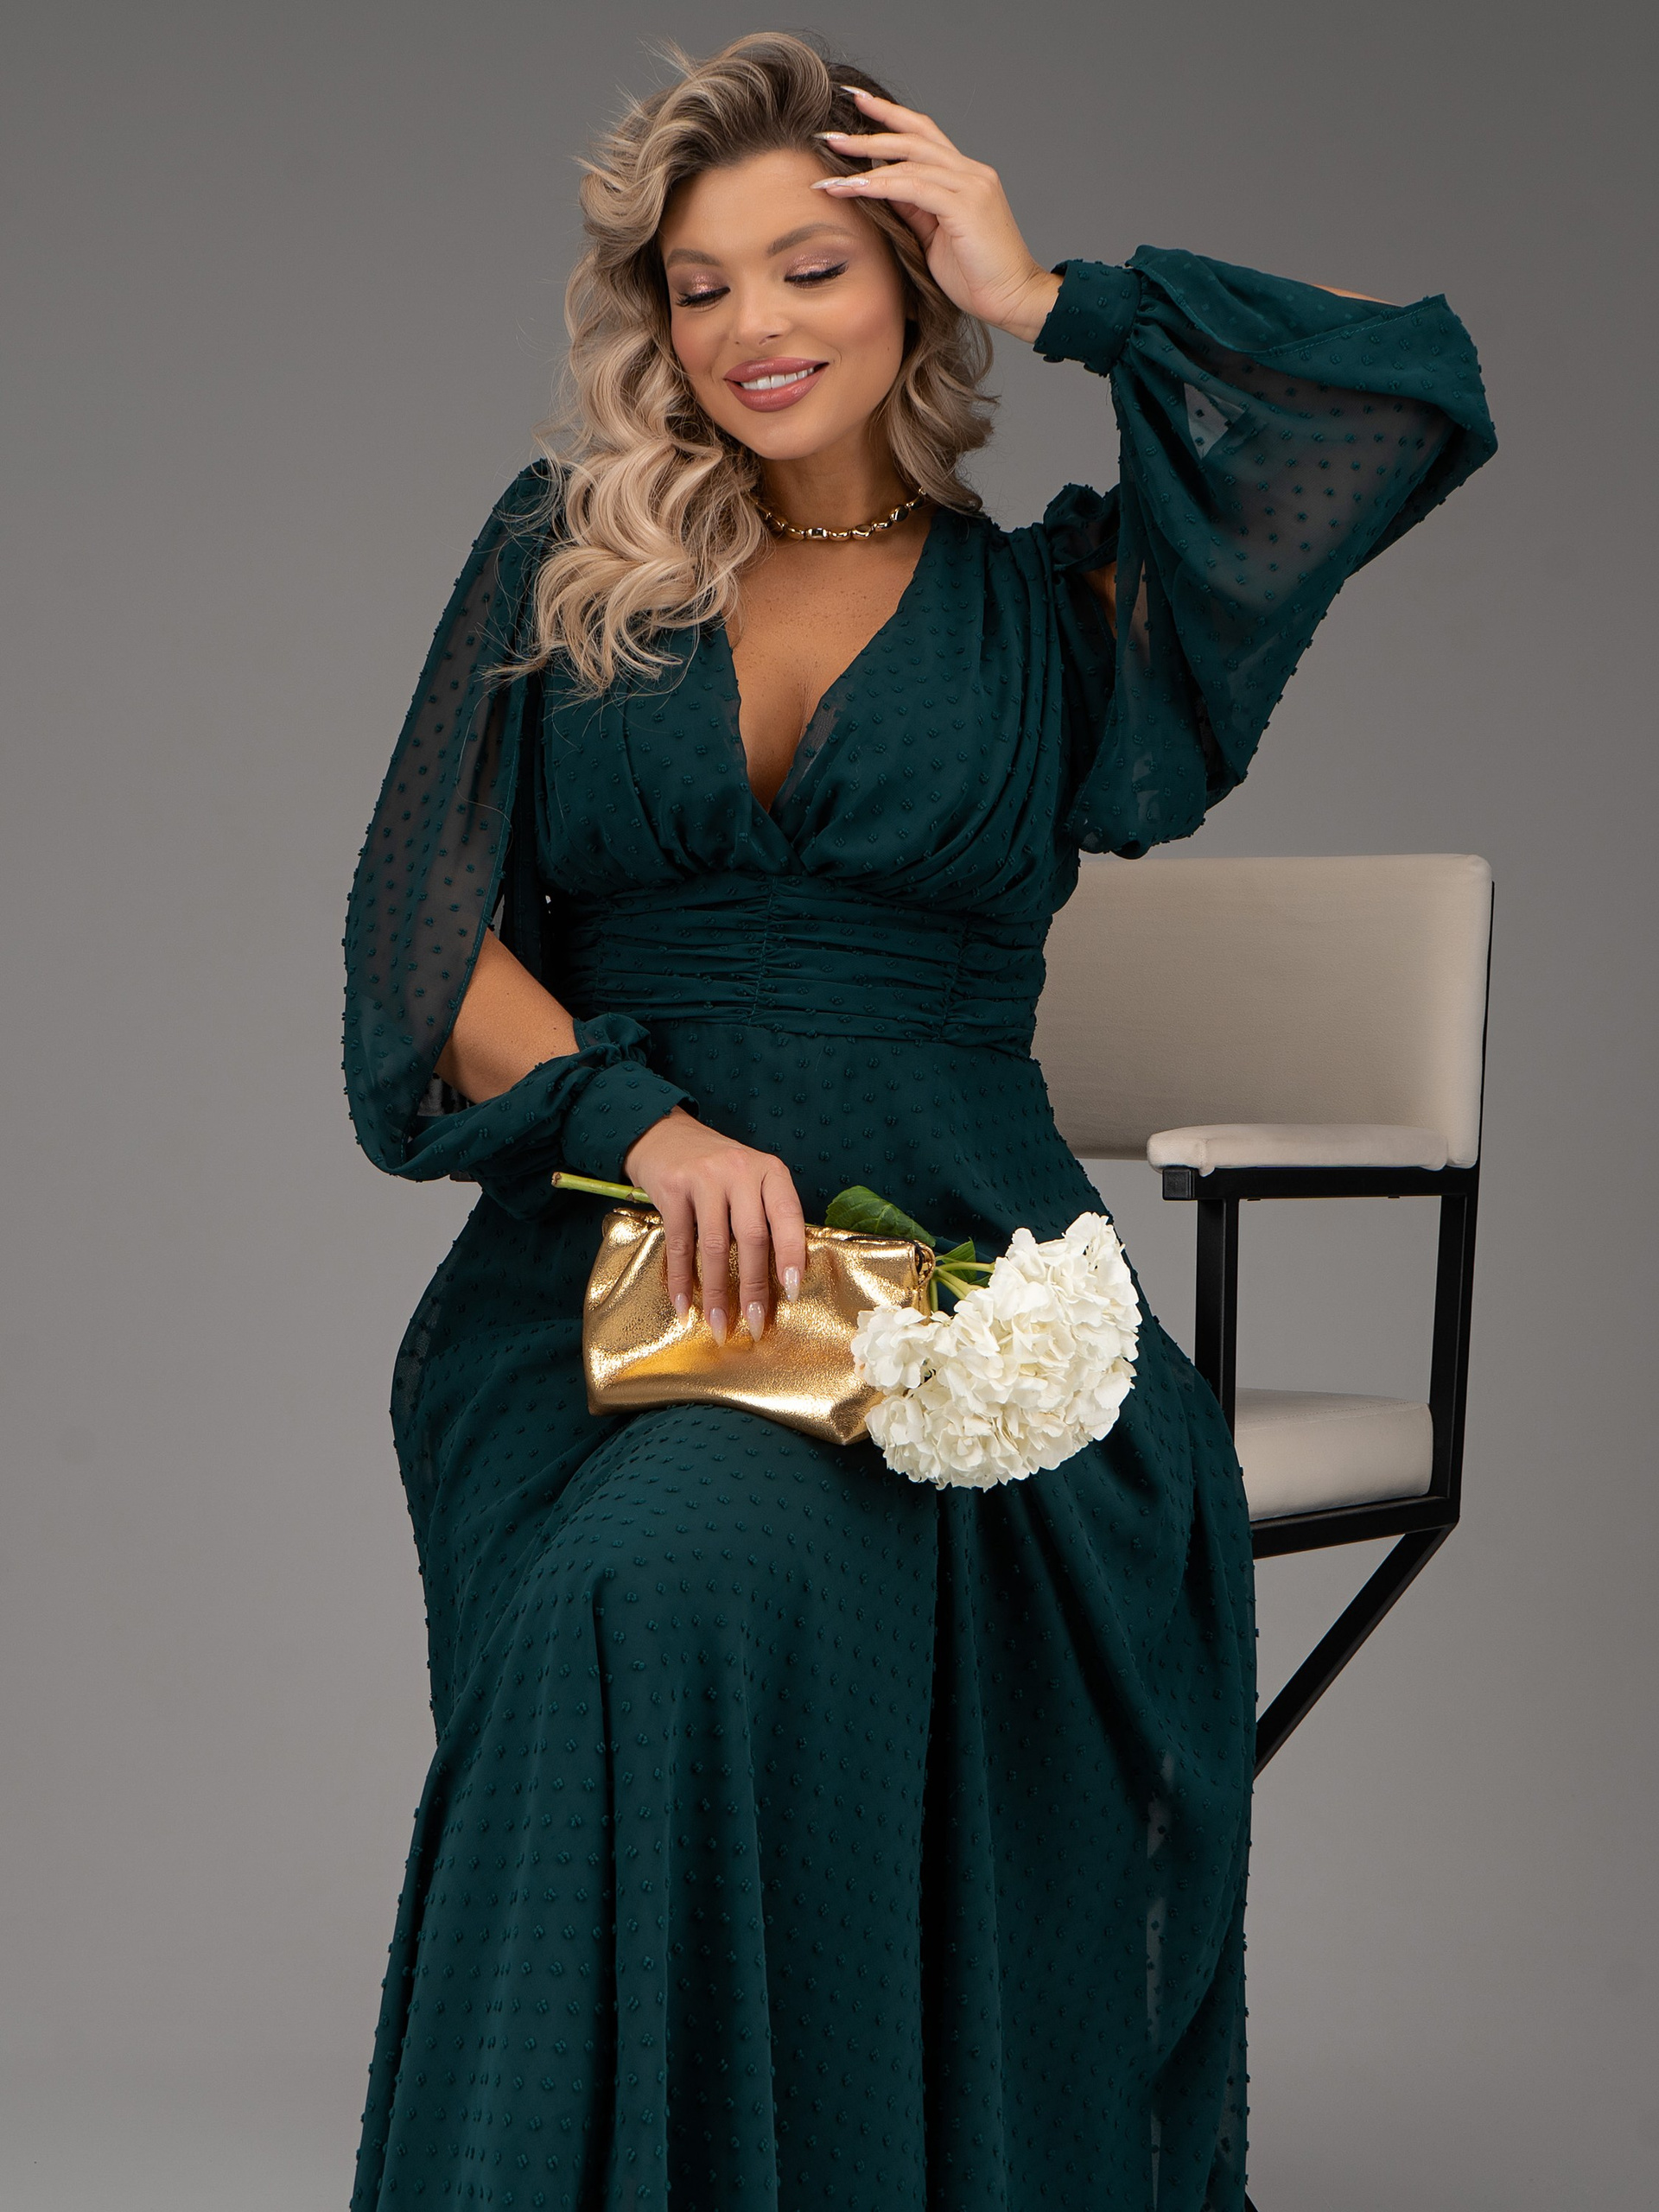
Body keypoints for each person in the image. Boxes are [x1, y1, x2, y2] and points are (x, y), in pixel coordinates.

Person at [341, 31, 1494, 2212]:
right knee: (634, 1594)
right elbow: (427, 943)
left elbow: (1399, 394)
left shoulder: (1065, 616)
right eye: (701, 285)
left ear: (905, 282)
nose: (753, 327)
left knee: (679, 1596)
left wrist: (1052, 293)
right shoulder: (569, 557)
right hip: (617, 1274)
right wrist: (644, 1123)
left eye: (815, 266)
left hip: (954, 1282)